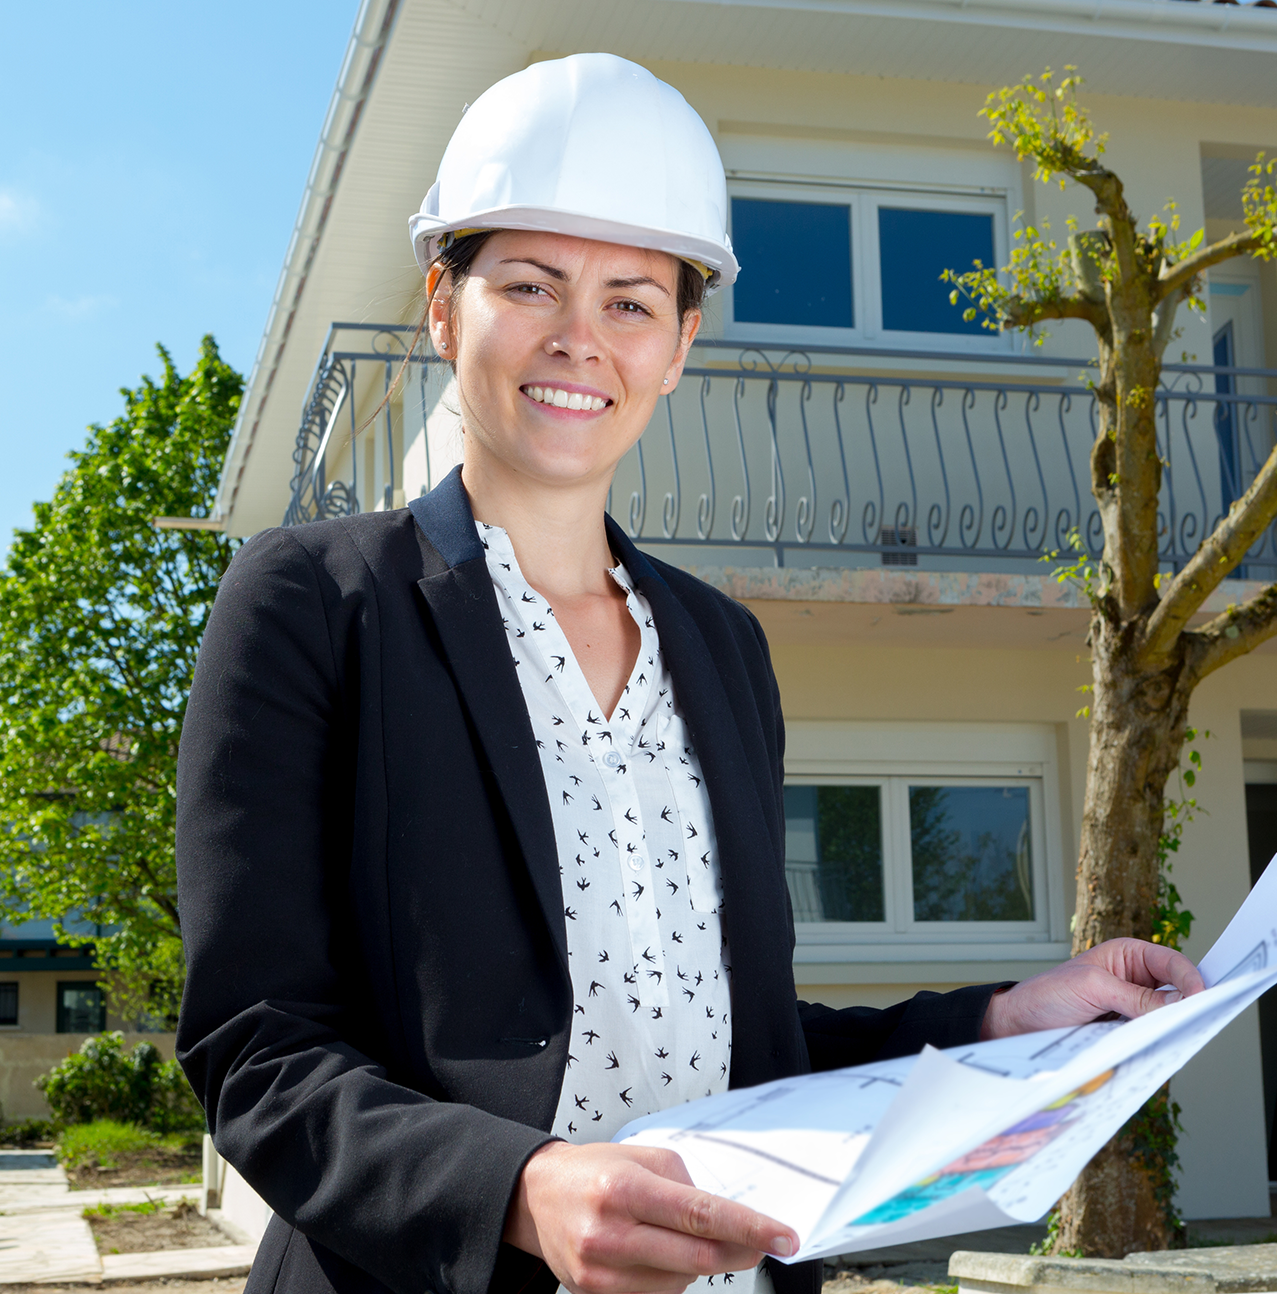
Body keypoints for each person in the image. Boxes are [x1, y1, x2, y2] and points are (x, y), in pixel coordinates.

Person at [175, 52, 1203, 1294]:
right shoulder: (316, 603)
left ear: (678, 345)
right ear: (442, 307)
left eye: (629, 301)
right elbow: (258, 1047)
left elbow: (744, 1047)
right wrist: (517, 1187)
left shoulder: (721, 648)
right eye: (530, 284)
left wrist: (999, 1019)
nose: (578, 338)